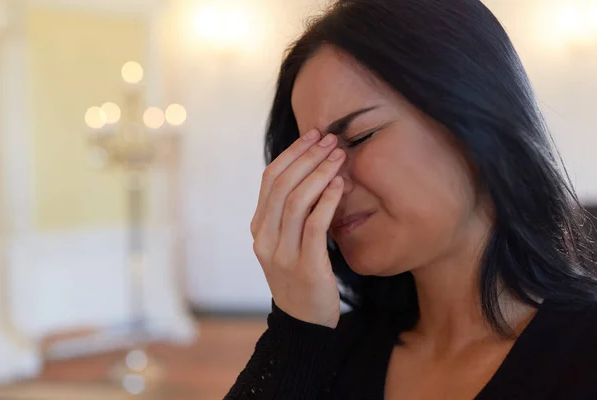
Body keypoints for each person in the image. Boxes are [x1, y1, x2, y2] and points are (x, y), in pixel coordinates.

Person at [225, 0, 597, 398]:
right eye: (309, 158)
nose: (326, 182)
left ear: (473, 116)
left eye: (359, 137)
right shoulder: (325, 353)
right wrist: (295, 329)